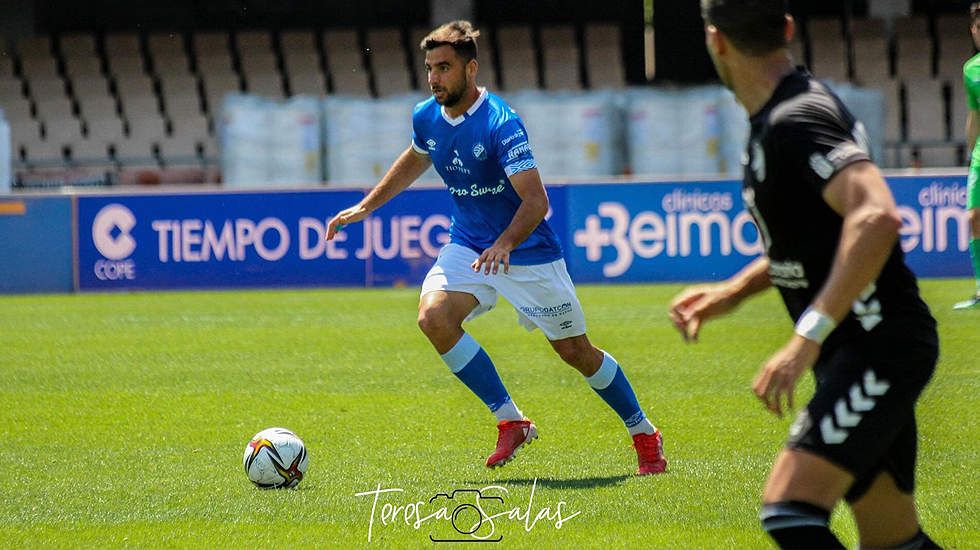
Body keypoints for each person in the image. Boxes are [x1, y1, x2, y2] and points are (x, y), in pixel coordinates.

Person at [325, 21, 666, 475]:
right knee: (434, 318)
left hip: (526, 253)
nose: (434, 78)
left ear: (471, 67)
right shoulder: (426, 115)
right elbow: (416, 157)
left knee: (575, 353)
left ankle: (643, 431)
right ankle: (511, 421)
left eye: (444, 68)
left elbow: (536, 200)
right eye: (429, 68)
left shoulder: (501, 123)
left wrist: (505, 243)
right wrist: (365, 207)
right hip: (468, 244)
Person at [669, 1, 942, 547]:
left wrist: (804, 338)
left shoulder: (798, 118)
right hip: (861, 351)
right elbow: (813, 242)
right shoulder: (776, 118)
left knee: (789, 512)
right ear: (788, 28)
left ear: (716, 40)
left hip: (878, 349)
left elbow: (876, 215)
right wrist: (734, 292)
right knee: (893, 541)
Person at [955, 2, 980, 310]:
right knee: (974, 218)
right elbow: (974, 116)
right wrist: (971, 149)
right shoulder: (970, 69)